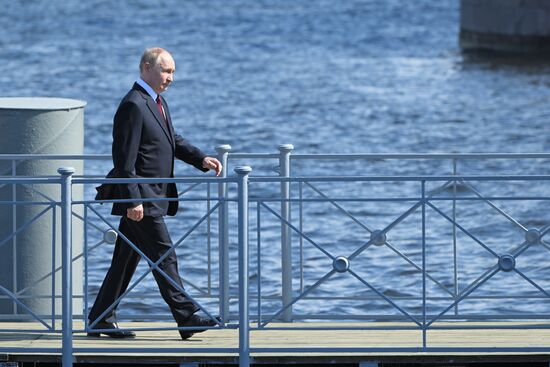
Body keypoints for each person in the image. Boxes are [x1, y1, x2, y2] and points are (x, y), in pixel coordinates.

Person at [88, 47, 222, 340]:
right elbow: (124, 159)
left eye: (173, 72)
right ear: (146, 68)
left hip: (152, 196)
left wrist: (200, 159)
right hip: (143, 198)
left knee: (125, 261)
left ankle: (100, 318)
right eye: (166, 70)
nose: (171, 77)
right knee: (165, 254)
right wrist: (132, 199)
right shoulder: (134, 104)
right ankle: (186, 317)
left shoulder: (156, 102)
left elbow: (171, 139)